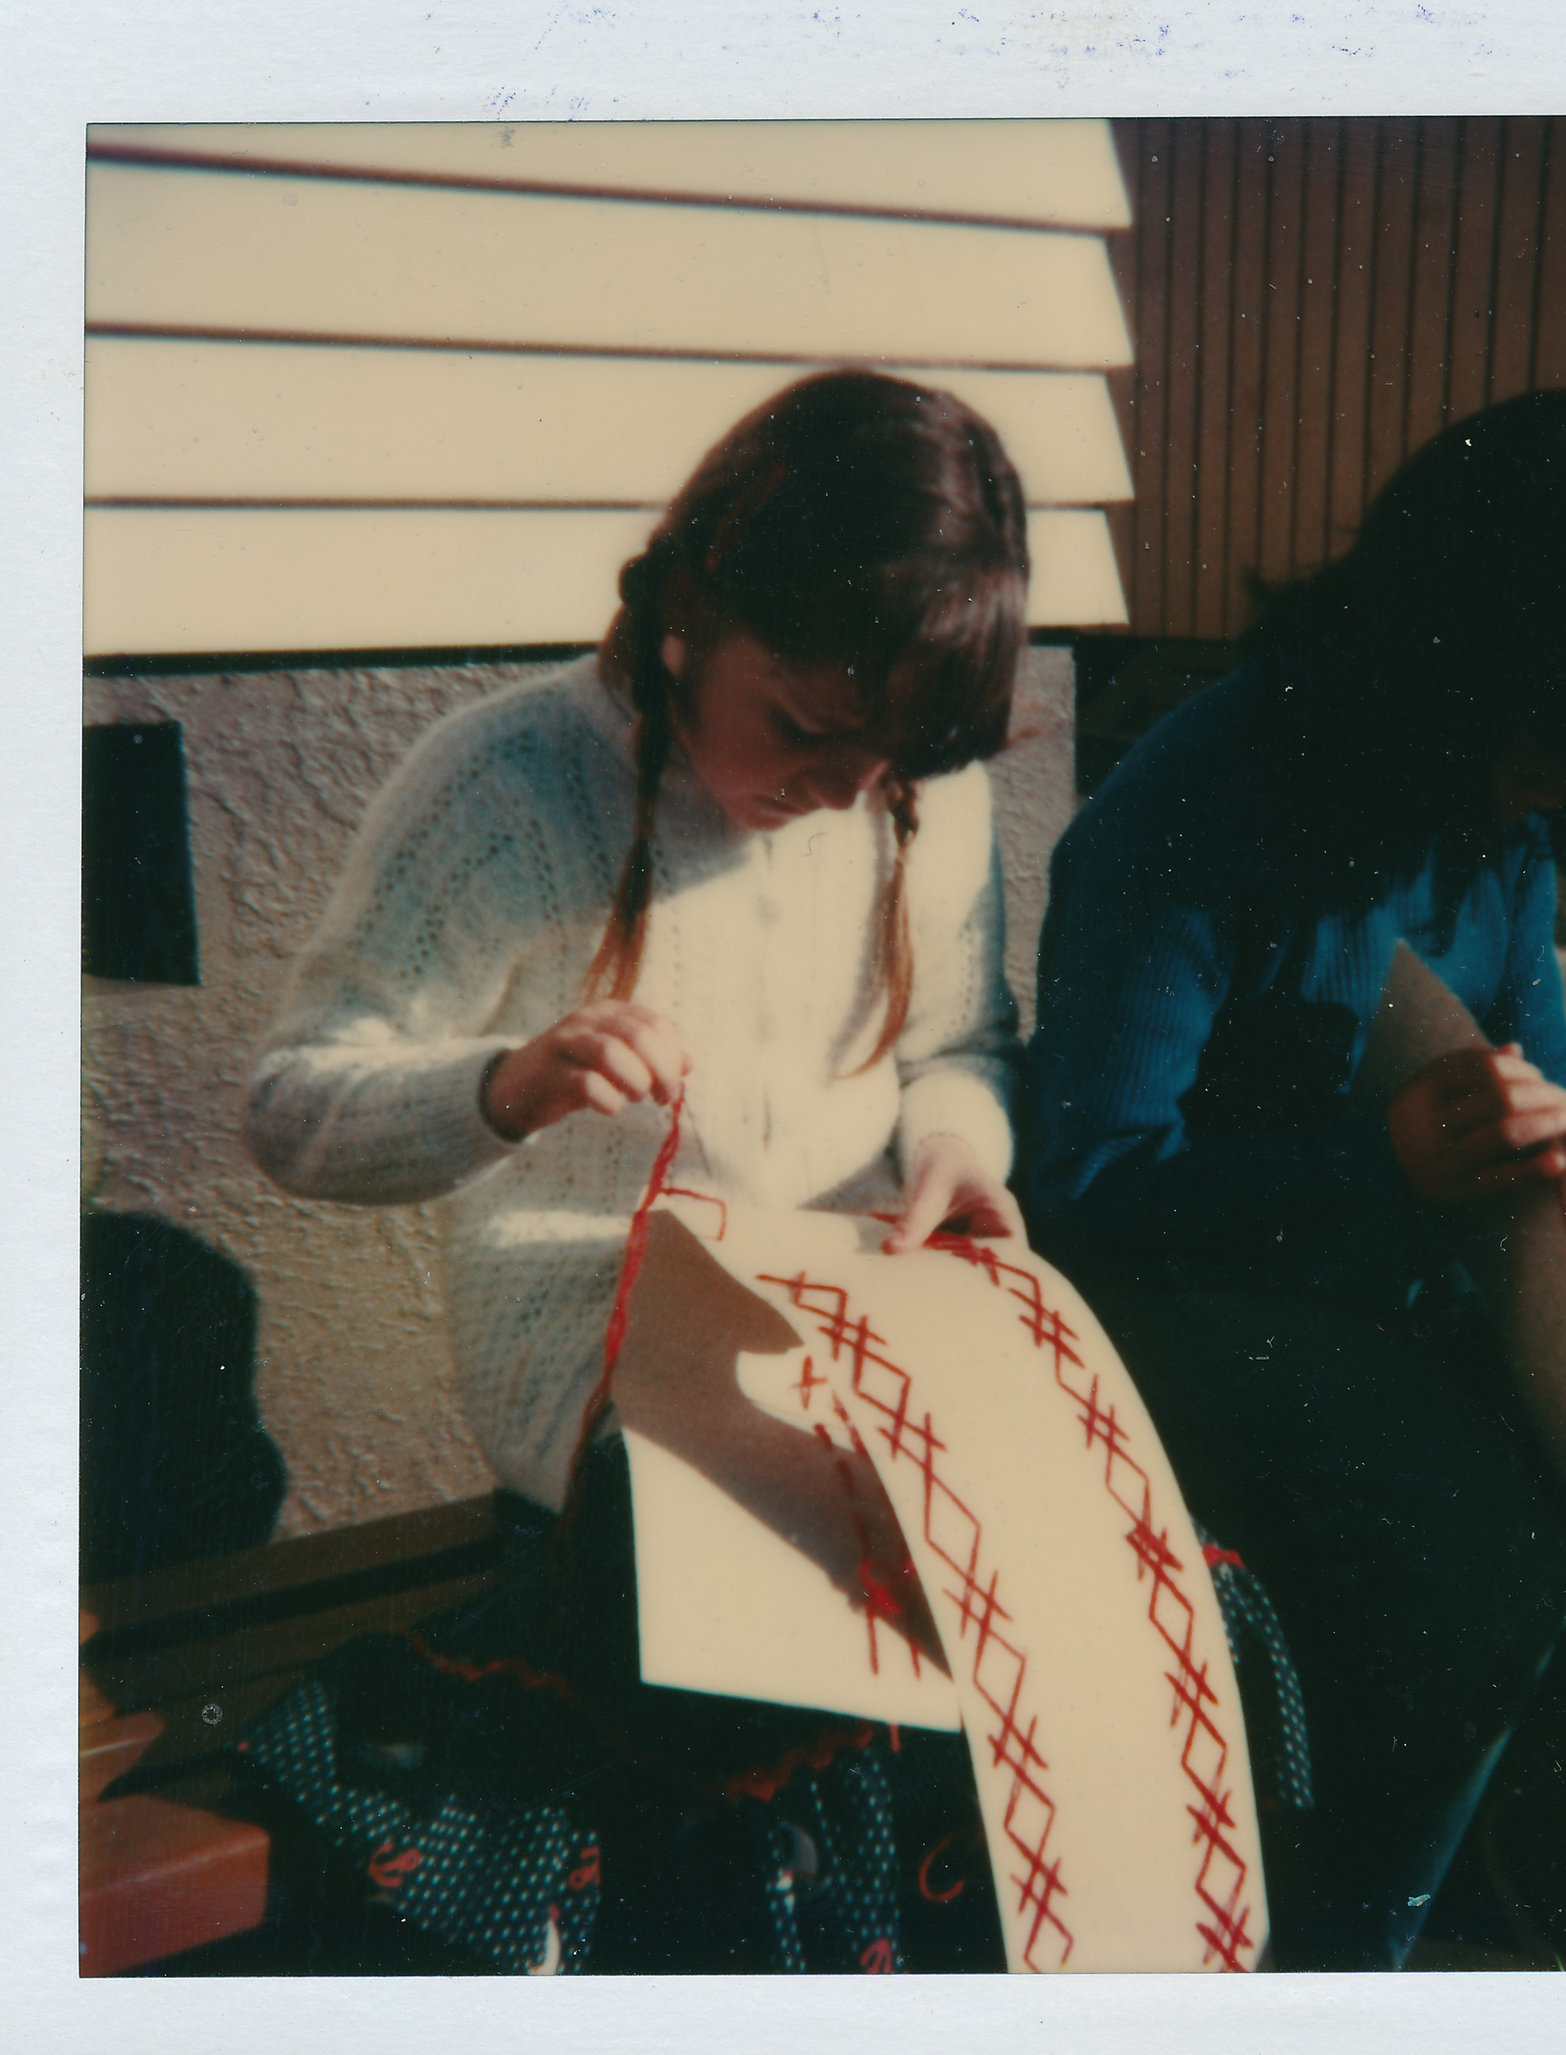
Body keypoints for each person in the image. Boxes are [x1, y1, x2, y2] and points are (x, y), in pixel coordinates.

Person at [242, 372, 1032, 1972]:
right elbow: (289, 1105)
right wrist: (504, 1088)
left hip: (844, 1344)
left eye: (887, 762)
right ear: (686, 611)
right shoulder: (510, 785)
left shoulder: (914, 798)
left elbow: (963, 1045)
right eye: (807, 730)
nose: (843, 792)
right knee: (788, 1711)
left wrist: (954, 1149)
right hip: (595, 1380)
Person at [1024, 388, 1566, 1969]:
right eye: (1558, 746)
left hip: (1413, 1317)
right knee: (1487, 1563)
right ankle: (1345, 1951)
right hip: (1183, 1327)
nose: (1561, 797)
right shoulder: (1190, 812)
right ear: (1464, 645)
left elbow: (1536, 1046)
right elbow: (1084, 1190)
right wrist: (1370, 1173)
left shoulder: (1491, 801)